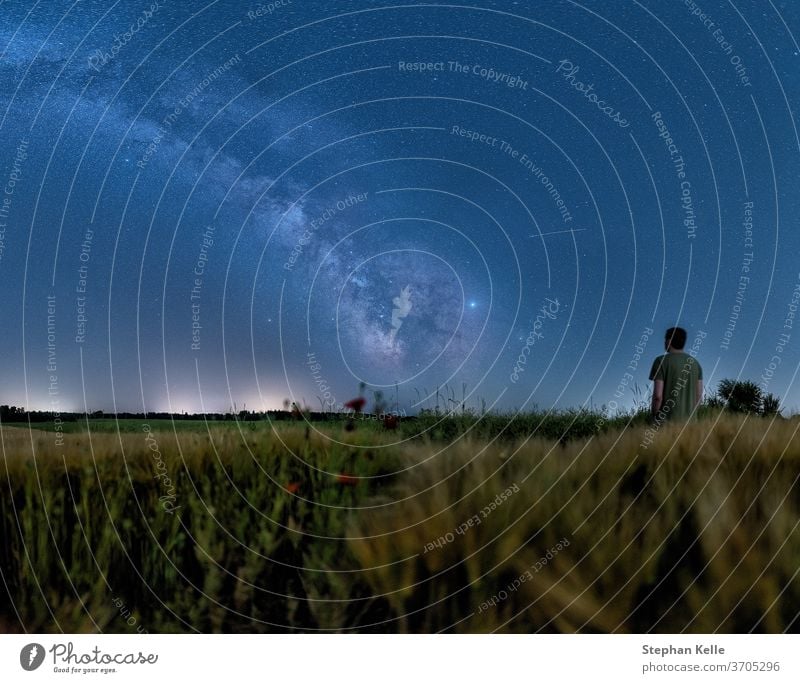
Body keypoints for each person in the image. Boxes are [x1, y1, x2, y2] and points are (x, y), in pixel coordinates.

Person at [648, 326, 703, 423]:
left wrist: (655, 417)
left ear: (669, 341)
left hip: (666, 425)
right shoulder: (695, 363)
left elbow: (658, 396)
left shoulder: (660, 361)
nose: (664, 342)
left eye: (665, 339)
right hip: (691, 426)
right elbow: (698, 396)